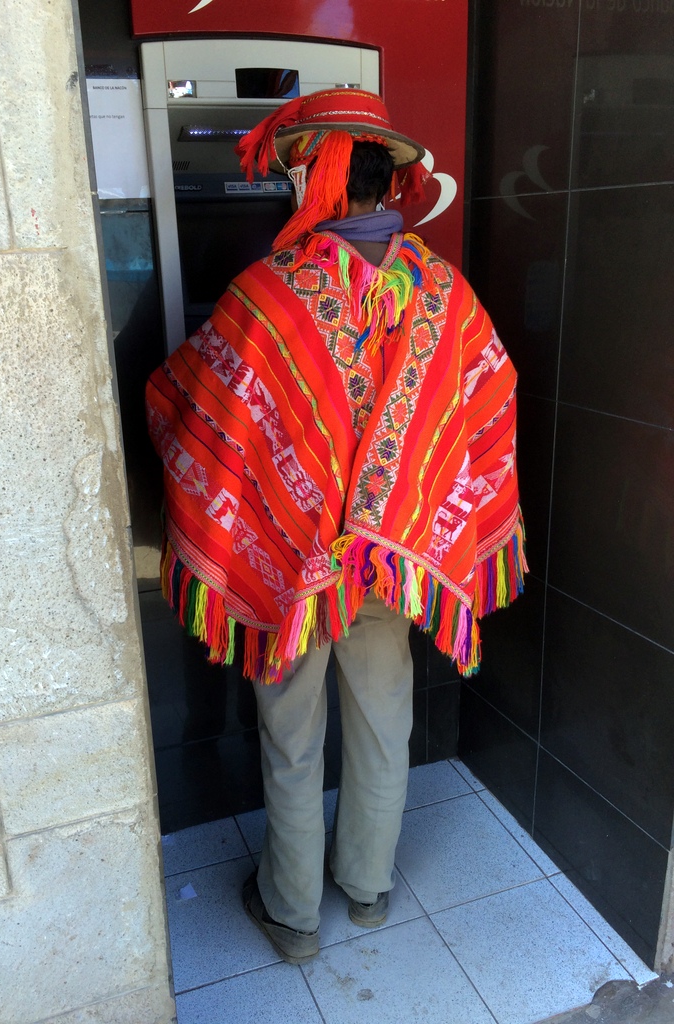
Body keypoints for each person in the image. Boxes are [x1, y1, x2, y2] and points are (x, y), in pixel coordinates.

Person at [146, 89, 526, 965]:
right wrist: (421, 510)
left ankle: (292, 915)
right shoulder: (445, 293)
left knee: (290, 736)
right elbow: (490, 400)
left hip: (293, 566)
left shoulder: (265, 296)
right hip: (397, 564)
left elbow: (199, 405)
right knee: (385, 722)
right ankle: (366, 891)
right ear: (384, 180)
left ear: (314, 178)